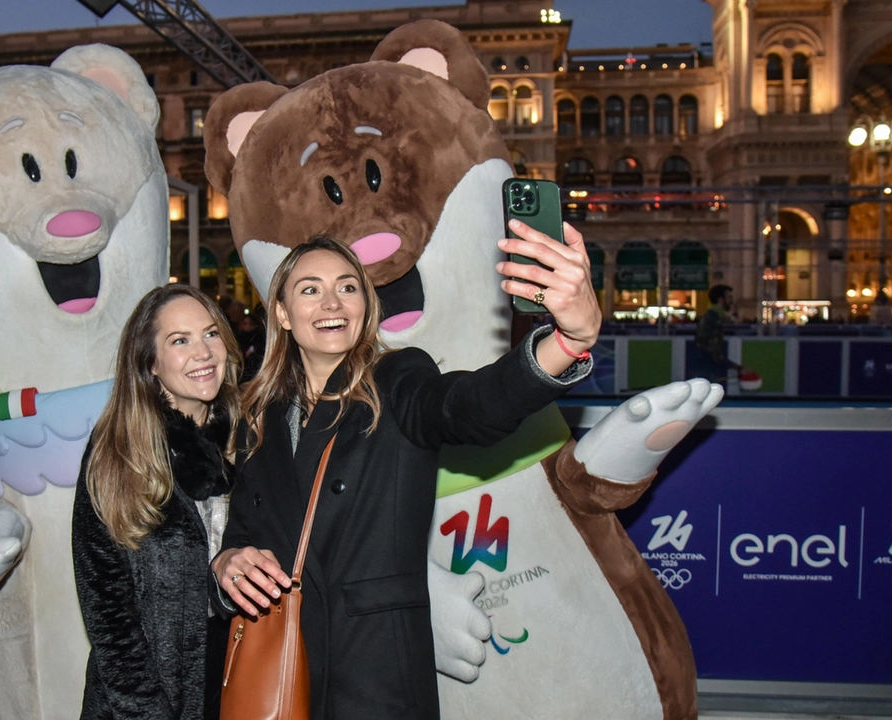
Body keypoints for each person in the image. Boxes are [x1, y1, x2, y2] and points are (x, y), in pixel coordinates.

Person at [211, 220, 601, 720]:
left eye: (347, 288)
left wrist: (567, 342)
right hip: (283, 673)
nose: (332, 303)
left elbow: (470, 406)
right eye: (311, 290)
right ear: (283, 314)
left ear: (364, 307)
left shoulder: (396, 382)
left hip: (377, 680)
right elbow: (243, 533)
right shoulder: (258, 418)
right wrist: (225, 567)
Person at [72, 284, 243, 720]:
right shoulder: (118, 450)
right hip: (148, 697)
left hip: (240, 680)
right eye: (180, 341)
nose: (203, 352)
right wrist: (144, 711)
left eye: (210, 334)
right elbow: (107, 611)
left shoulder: (252, 441)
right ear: (150, 363)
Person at [694, 284, 740, 382]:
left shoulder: (712, 317)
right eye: (729, 297)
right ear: (721, 299)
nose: (731, 301)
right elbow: (714, 352)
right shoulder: (714, 319)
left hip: (705, 369)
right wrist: (737, 367)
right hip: (707, 371)